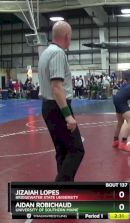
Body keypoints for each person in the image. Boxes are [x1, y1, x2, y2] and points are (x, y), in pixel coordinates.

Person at [38, 21, 84, 182]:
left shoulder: (45, 53)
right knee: (76, 150)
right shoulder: (58, 53)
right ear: (67, 36)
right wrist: (68, 115)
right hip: (58, 108)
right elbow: (57, 87)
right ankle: (59, 188)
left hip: (48, 107)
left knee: (62, 151)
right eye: (70, 36)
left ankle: (65, 191)